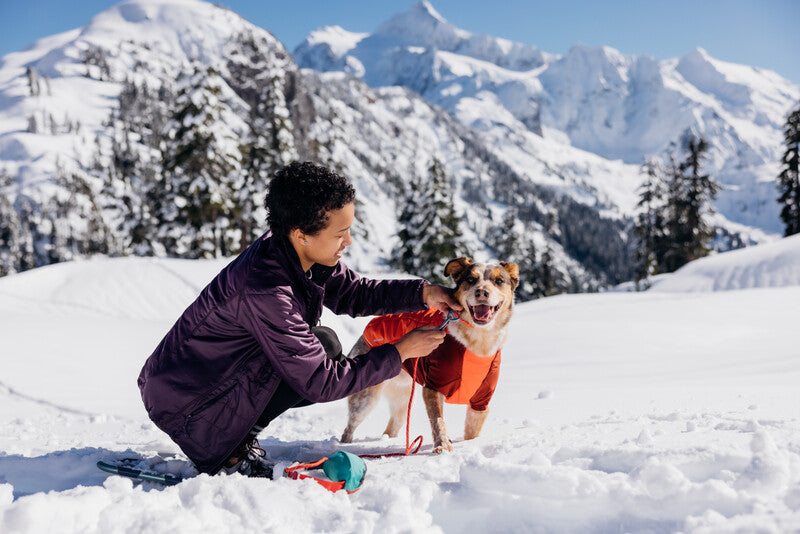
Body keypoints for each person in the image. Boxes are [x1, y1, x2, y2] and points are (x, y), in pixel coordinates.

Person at [137, 161, 461, 478]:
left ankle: (235, 433)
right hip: (188, 403)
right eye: (341, 234)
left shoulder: (294, 251)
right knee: (317, 362)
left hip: (200, 382)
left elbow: (354, 293)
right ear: (302, 234)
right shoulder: (266, 289)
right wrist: (400, 352)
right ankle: (227, 450)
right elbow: (321, 382)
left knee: (325, 344)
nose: (348, 242)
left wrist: (424, 294)